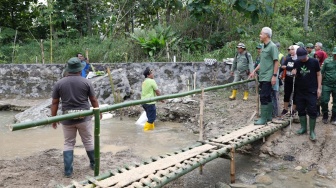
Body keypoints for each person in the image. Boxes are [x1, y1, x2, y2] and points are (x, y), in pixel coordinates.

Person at [51, 57, 101, 178]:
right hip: (84, 118)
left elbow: (55, 103)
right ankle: (94, 164)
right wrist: (98, 112)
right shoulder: (86, 82)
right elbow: (93, 99)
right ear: (80, 69)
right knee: (88, 141)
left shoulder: (60, 83)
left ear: (68, 69)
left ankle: (68, 171)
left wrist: (53, 118)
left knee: (68, 143)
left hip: (67, 119)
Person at [249, 27, 279, 125]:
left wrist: (274, 76)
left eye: (261, 33)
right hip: (262, 75)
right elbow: (262, 62)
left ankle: (263, 118)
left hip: (268, 76)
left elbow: (276, 62)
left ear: (266, 35)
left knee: (263, 96)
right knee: (267, 96)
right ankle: (269, 116)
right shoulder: (263, 46)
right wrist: (254, 71)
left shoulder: (272, 46)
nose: (260, 35)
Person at [292, 47, 322, 141]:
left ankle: (312, 131)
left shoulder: (314, 62)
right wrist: (294, 73)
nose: (302, 59)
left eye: (303, 57)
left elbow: (318, 74)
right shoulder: (297, 62)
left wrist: (319, 88)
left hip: (311, 90)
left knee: (312, 110)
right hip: (300, 90)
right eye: (300, 57)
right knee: (300, 109)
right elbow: (296, 75)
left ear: (307, 54)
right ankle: (303, 128)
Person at [280, 45, 299, 116]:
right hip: (288, 78)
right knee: (287, 94)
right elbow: (282, 66)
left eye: (293, 49)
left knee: (295, 94)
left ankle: (293, 110)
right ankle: (285, 109)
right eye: (290, 49)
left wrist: (289, 68)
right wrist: (290, 67)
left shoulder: (299, 60)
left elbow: (298, 69)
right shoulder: (288, 59)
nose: (291, 51)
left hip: (296, 79)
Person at [321, 47, 336, 124]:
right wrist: (320, 84)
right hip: (327, 84)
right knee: (324, 100)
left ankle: (334, 117)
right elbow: (321, 72)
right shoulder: (327, 61)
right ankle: (325, 115)